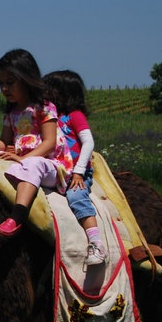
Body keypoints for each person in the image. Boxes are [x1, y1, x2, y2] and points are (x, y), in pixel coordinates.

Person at [0, 49, 75, 240]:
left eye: (10, 83)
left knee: (33, 165)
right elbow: (4, 142)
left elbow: (50, 143)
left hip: (50, 165)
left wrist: (23, 159)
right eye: (1, 83)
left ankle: (17, 217)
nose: (4, 88)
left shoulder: (43, 107)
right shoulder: (11, 112)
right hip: (21, 160)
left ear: (26, 79)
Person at [44, 70, 106, 265]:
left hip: (77, 172)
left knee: (76, 196)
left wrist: (79, 171)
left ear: (62, 93)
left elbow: (88, 143)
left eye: (50, 90)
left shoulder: (74, 116)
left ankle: (96, 242)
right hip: (59, 170)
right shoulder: (51, 117)